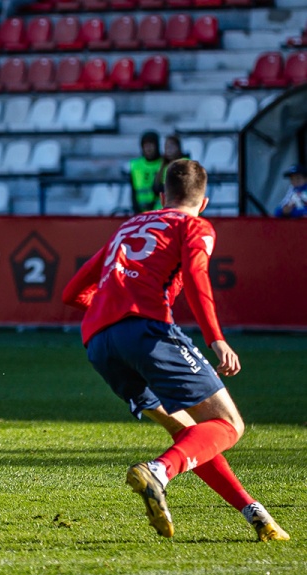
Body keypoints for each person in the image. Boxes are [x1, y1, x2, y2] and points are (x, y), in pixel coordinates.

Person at [62, 159, 289, 542]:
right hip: (146, 332)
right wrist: (216, 338)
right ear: (204, 201)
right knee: (229, 424)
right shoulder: (194, 226)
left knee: (191, 435)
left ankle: (256, 515)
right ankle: (158, 472)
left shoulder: (129, 225)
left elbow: (72, 293)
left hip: (99, 343)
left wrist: (109, 317)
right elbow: (198, 277)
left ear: (162, 195)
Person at [128, 131, 163, 214]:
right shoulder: (135, 165)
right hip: (141, 212)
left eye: (151, 145)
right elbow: (133, 191)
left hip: (161, 213)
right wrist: (136, 210)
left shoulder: (164, 163)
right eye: (146, 145)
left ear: (157, 146)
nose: (148, 148)